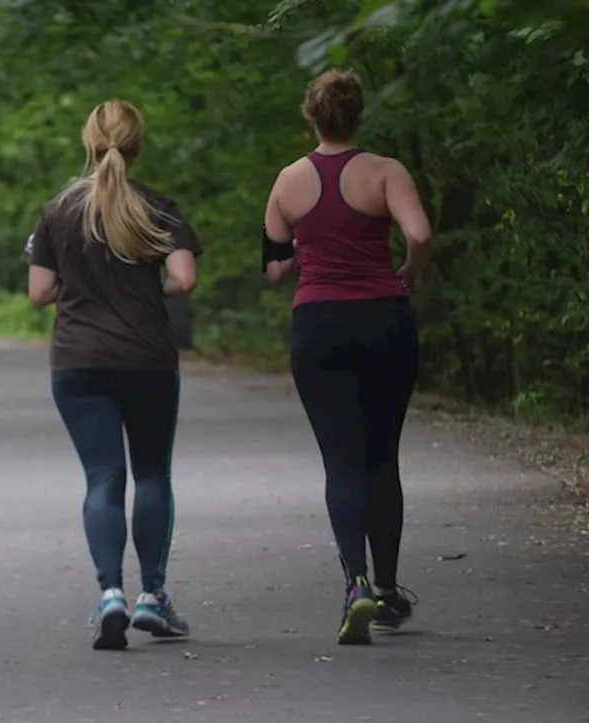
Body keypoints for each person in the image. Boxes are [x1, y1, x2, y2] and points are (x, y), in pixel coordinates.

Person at [261, 69, 433, 645]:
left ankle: (354, 583)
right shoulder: (387, 172)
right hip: (385, 320)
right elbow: (422, 234)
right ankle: (386, 591)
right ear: (359, 114)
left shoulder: (287, 181)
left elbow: (276, 263)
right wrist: (408, 270)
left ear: (310, 115)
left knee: (341, 461)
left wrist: (297, 257)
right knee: (382, 457)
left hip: (319, 327)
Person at [25, 99, 201, 651]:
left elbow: (38, 293)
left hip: (78, 362)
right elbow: (183, 278)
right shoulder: (158, 208)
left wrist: (79, 289)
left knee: (103, 478)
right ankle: (153, 595)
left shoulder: (57, 210)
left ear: (89, 144)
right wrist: (143, 289)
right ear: (137, 145)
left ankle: (110, 595)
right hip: (147, 359)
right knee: (151, 475)